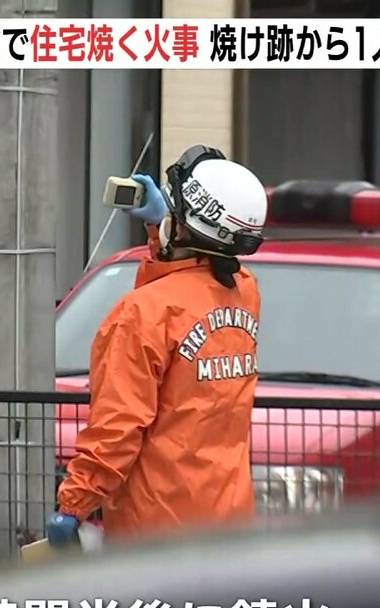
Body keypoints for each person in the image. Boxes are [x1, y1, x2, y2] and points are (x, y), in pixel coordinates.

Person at [46, 145, 267, 547]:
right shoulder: (244, 292)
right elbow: (187, 282)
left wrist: (73, 507)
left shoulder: (141, 313)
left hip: (158, 532)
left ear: (183, 224)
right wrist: (160, 228)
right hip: (231, 524)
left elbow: (117, 428)